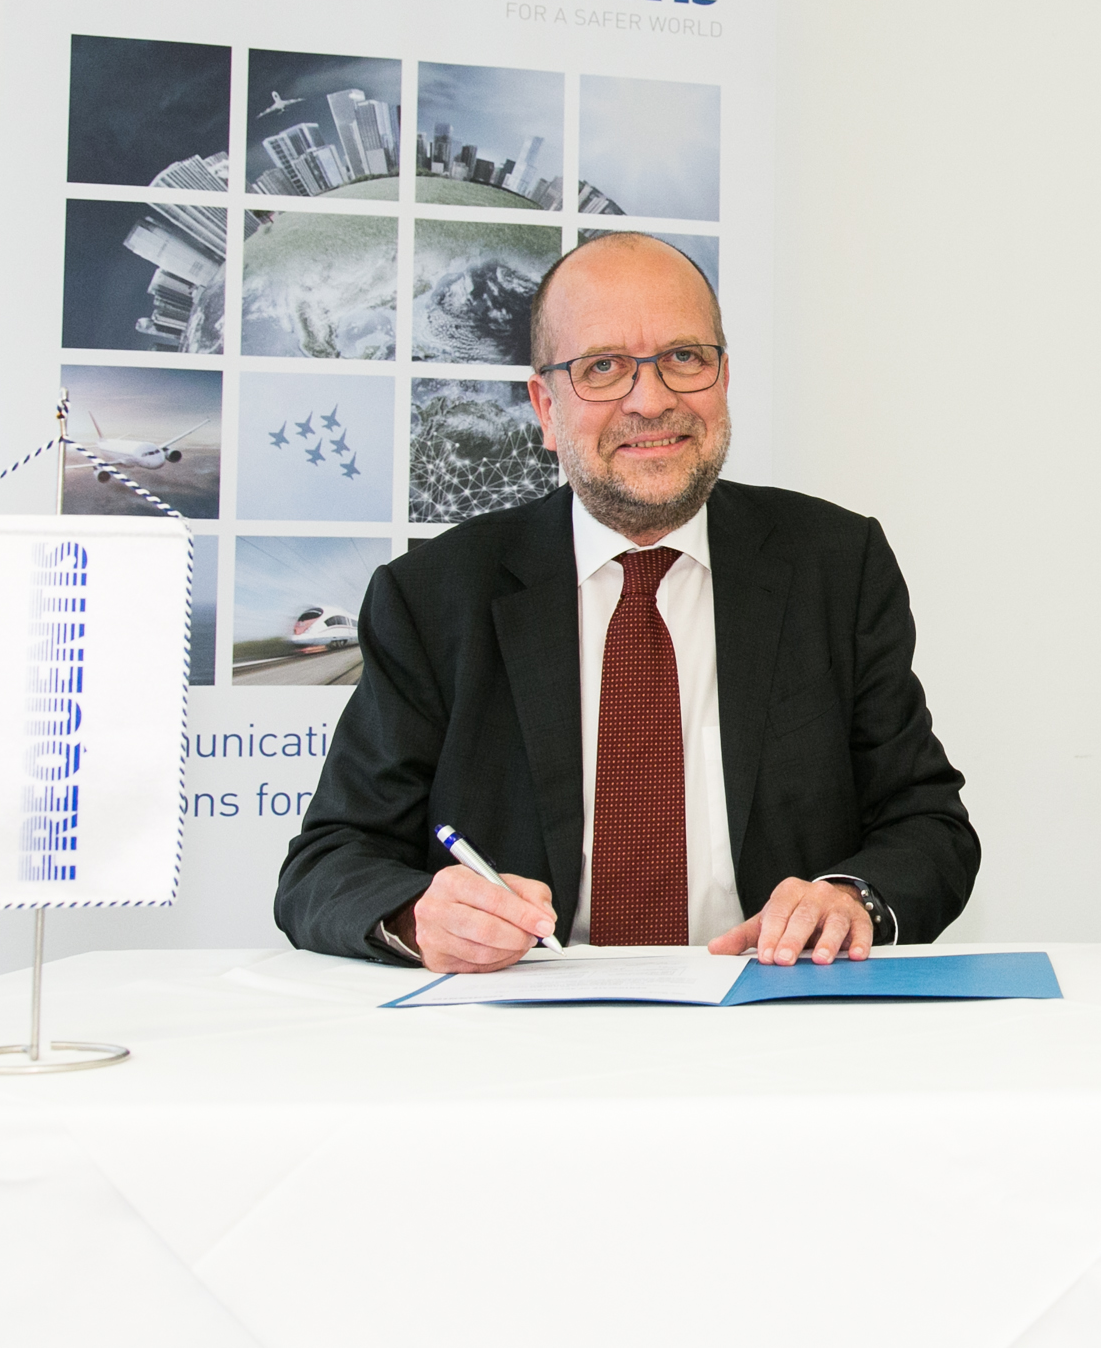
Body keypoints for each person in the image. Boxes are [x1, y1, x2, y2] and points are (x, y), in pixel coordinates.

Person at [277, 233, 979, 973]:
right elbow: (328, 861)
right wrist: (419, 917)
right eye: (603, 367)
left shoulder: (835, 565)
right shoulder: (433, 595)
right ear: (545, 408)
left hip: (772, 1004)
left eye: (685, 357)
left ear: (723, 378)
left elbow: (927, 825)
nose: (652, 399)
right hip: (524, 1014)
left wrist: (850, 898)